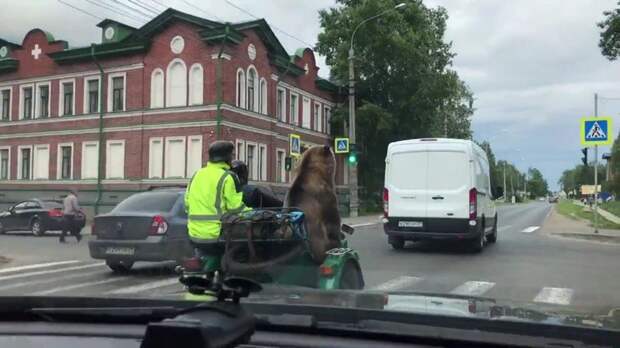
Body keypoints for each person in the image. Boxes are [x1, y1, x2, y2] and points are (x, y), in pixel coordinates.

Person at [185, 141, 249, 272]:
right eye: (232, 155)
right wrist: (253, 213)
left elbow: (187, 204)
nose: (232, 157)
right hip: (216, 236)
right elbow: (236, 208)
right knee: (244, 245)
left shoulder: (197, 174)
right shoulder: (228, 176)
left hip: (193, 234)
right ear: (227, 157)